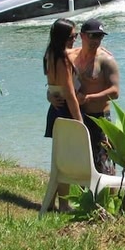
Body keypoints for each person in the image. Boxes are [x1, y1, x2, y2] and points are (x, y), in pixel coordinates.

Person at [48, 17, 120, 176]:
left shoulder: (106, 60)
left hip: (99, 117)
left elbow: (115, 92)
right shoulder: (70, 55)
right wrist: (50, 95)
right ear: (81, 36)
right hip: (77, 115)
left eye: (100, 36)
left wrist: (88, 98)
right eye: (93, 36)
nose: (96, 40)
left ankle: (110, 192)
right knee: (80, 163)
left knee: (104, 164)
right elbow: (56, 78)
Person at [42, 18, 83, 212]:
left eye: (76, 35)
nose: (74, 39)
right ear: (61, 38)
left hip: (55, 109)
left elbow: (52, 84)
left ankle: (52, 201)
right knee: (66, 160)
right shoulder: (63, 59)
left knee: (60, 158)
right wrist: (79, 122)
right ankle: (64, 204)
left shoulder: (50, 53)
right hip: (66, 109)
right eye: (71, 36)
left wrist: (49, 95)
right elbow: (69, 93)